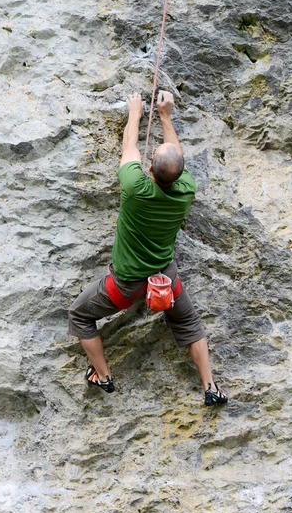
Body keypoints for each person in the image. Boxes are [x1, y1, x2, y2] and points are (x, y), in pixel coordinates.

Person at [68, 90, 227, 407]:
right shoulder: (185, 190)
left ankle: (103, 376)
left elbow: (129, 148)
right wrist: (166, 116)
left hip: (125, 285)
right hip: (165, 279)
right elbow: (174, 160)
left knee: (79, 315)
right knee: (190, 324)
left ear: (149, 169)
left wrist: (135, 113)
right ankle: (210, 387)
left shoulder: (135, 187)